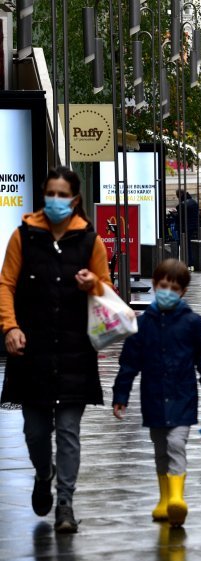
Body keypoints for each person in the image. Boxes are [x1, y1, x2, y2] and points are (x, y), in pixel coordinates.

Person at [0, 167, 112, 533]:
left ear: (75, 200)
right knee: (34, 432)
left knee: (67, 431)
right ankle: (42, 472)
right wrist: (10, 327)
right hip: (31, 351)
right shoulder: (23, 236)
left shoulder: (89, 241)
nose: (55, 201)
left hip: (74, 350)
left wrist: (93, 283)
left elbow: (108, 292)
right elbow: (6, 284)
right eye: (50, 193)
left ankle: (65, 502)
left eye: (62, 195)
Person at [112, 259, 201, 527]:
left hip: (183, 396)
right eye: (162, 285)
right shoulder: (142, 324)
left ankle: (176, 499)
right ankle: (164, 499)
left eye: (173, 287)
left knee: (175, 444)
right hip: (153, 397)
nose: (167, 291)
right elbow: (129, 364)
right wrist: (120, 397)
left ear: (182, 291)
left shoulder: (193, 322)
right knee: (160, 448)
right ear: (155, 285)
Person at [175, 189, 198, 268]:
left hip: (184, 227)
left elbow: (180, 217)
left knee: (183, 244)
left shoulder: (182, 205)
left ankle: (187, 262)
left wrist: (174, 214)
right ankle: (189, 262)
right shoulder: (193, 202)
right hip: (193, 226)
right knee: (188, 244)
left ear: (179, 195)